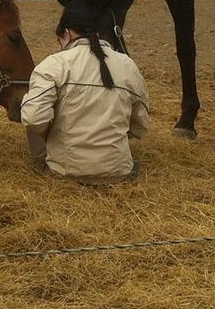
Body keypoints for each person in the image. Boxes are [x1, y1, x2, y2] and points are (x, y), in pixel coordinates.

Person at [20, 17, 150, 184]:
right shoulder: (127, 64)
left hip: (64, 172)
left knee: (31, 112)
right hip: (119, 172)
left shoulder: (54, 64)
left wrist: (49, 133)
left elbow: (33, 118)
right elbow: (141, 125)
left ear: (66, 33)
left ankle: (51, 166)